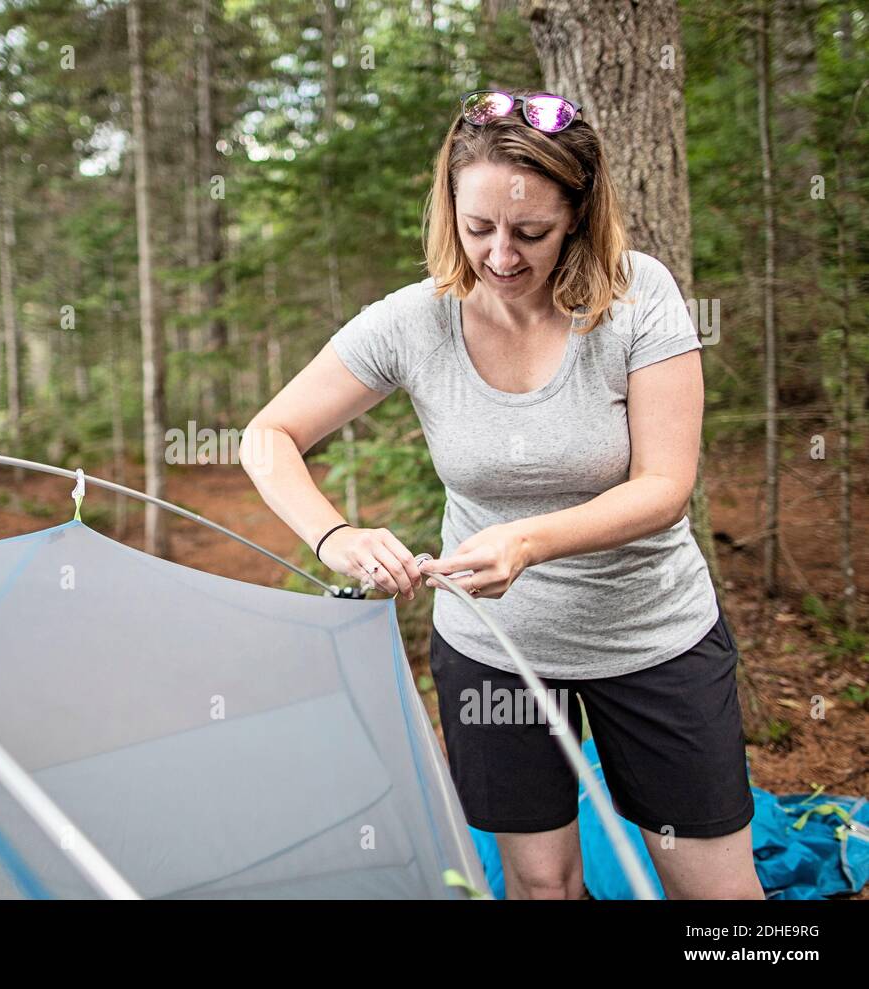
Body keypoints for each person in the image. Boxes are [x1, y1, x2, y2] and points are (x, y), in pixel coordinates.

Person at [239, 89, 764, 900]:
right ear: (450, 209)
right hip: (493, 650)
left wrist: (529, 540)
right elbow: (266, 437)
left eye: (532, 233)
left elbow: (665, 487)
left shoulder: (639, 297)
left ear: (581, 216)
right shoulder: (413, 323)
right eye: (477, 228)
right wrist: (333, 536)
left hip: (652, 639)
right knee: (541, 886)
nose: (501, 257)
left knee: (719, 900)